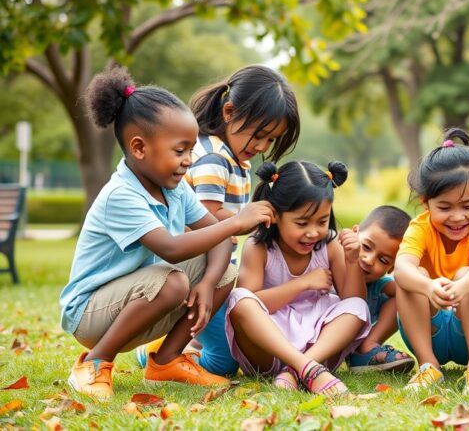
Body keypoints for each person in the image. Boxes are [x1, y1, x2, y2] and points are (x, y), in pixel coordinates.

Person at [59, 66, 275, 399]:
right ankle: (94, 361)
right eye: (180, 150)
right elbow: (172, 248)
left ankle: (166, 360)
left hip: (135, 299)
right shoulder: (122, 195)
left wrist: (206, 283)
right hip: (89, 314)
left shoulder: (172, 189)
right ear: (139, 148)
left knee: (224, 273)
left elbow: (216, 240)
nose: (189, 160)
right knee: (173, 279)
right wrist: (233, 223)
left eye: (191, 150)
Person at [135, 65, 300, 376]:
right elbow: (207, 218)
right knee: (224, 361)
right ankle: (154, 356)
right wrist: (256, 219)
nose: (262, 146)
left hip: (214, 268)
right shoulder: (214, 159)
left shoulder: (234, 158)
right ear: (229, 112)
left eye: (271, 139)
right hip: (196, 270)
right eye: (260, 135)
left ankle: (179, 350)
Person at [225, 161, 370, 396]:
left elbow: (352, 300)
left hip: (319, 345)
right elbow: (252, 302)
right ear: (276, 215)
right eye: (302, 223)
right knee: (239, 299)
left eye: (322, 222)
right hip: (270, 348)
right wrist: (303, 283)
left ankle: (299, 369)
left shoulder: (330, 245)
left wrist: (352, 260)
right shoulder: (259, 247)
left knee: (358, 306)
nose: (313, 232)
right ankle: (304, 366)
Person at [394, 128, 469, 395]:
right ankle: (428, 366)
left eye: (468, 206)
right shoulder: (419, 227)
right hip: (428, 330)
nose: (457, 217)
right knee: (410, 277)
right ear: (426, 203)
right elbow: (401, 268)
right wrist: (428, 286)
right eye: (444, 207)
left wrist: (461, 287)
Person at [344, 206, 415, 373]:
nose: (369, 260)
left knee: (405, 295)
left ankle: (366, 347)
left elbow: (407, 290)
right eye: (366, 247)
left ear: (391, 268)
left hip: (352, 339)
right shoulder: (332, 269)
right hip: (320, 340)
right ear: (355, 233)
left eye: (383, 260)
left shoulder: (378, 285)